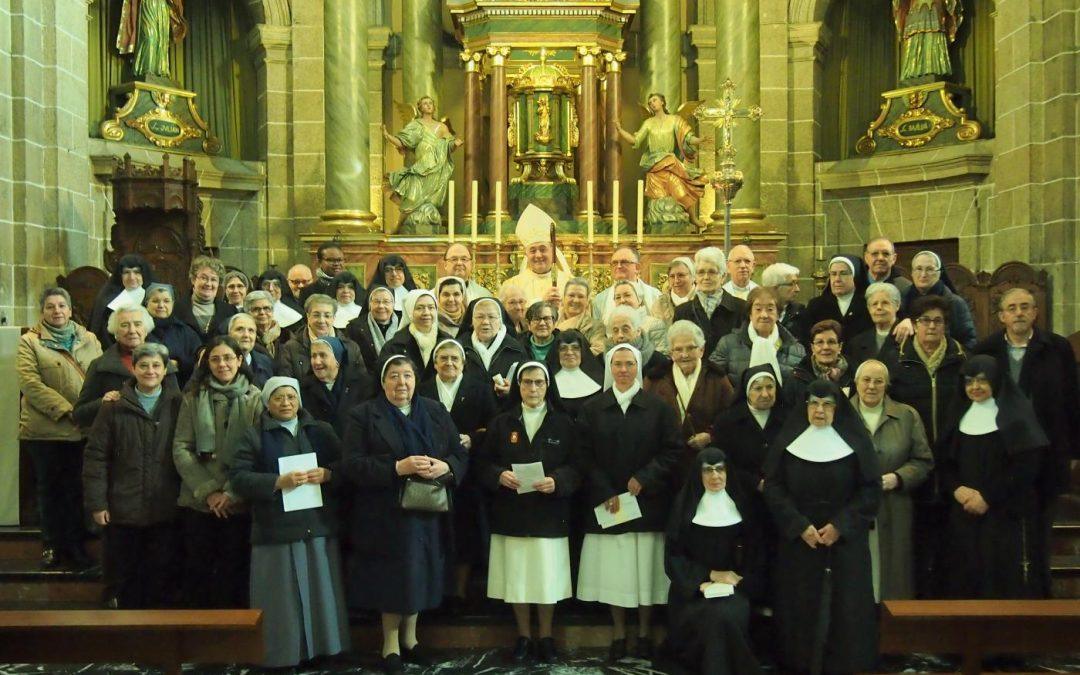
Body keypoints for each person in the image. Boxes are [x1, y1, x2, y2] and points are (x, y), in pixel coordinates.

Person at [340, 355, 468, 674]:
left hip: (428, 508)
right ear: (383, 382)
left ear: (416, 380)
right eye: (394, 376)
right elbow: (352, 465)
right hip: (386, 512)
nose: (401, 383)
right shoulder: (364, 415)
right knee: (394, 577)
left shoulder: (436, 412)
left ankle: (411, 640)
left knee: (420, 574)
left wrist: (447, 466)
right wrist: (398, 467)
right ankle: (390, 645)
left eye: (407, 376)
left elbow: (459, 453)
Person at [229, 376, 351, 668]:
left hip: (317, 524)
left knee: (321, 593)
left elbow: (345, 466)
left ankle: (325, 651)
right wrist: (277, 482)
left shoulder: (320, 430)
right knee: (281, 600)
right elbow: (239, 478)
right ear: (267, 402)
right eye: (278, 398)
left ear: (299, 400)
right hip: (276, 529)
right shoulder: (253, 435)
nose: (285, 403)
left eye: (291, 397)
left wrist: (328, 474)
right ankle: (284, 656)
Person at [763, 379, 881, 675]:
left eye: (827, 404)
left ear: (837, 408)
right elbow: (774, 488)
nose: (819, 410)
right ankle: (798, 663)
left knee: (847, 605)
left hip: (844, 541)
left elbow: (869, 490)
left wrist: (840, 526)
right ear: (805, 407)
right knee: (799, 604)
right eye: (814, 404)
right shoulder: (789, 442)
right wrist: (799, 526)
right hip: (799, 541)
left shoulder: (855, 442)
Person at [577, 344, 682, 662]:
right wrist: (605, 490)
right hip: (608, 505)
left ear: (638, 367)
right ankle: (620, 633)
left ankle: (645, 633)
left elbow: (673, 449)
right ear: (610, 368)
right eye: (617, 364)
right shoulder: (592, 408)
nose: (623, 370)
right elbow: (583, 455)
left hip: (647, 505)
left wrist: (645, 478)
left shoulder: (659, 407)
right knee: (615, 576)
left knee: (645, 576)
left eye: (629, 364)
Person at [973, 287, 1080, 596]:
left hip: (1047, 456)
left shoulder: (1056, 348)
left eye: (1025, 307)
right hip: (1001, 458)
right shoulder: (986, 350)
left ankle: (1039, 601)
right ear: (1002, 316)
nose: (1019, 313)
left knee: (1039, 538)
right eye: (1012, 308)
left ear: (1035, 312)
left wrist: (1073, 452)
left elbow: (1071, 402)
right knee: (1001, 539)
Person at [476, 362, 580, 663]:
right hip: (512, 514)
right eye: (526, 383)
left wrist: (558, 481)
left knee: (546, 581)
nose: (533, 389)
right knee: (518, 581)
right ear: (518, 385)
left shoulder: (564, 423)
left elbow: (578, 466)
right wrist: (498, 475)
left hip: (550, 514)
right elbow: (482, 464)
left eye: (539, 383)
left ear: (548, 386)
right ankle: (523, 636)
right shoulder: (502, 422)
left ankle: (546, 637)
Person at [82, 342, 182, 608]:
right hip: (122, 508)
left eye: (156, 365)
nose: (150, 371)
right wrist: (97, 502)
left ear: (165, 371)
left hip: (165, 508)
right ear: (134, 369)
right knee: (126, 580)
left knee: (161, 580)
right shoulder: (113, 406)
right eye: (144, 365)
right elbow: (96, 456)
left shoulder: (178, 405)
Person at [940, 355, 1047, 599]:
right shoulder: (957, 415)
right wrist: (956, 489)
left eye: (981, 381)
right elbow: (944, 462)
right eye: (969, 382)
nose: (974, 387)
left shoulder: (1016, 416)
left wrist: (988, 497)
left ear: (996, 381)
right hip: (964, 513)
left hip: (1004, 514)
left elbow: (1026, 467)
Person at [172, 335, 264, 608]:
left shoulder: (256, 398)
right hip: (199, 502)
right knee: (199, 572)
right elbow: (181, 447)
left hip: (239, 501)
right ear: (206, 363)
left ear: (239, 360)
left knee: (235, 574)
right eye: (215, 359)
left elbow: (261, 451)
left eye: (227, 358)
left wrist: (231, 492)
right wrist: (210, 491)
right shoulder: (193, 397)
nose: (222, 364)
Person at [885, 294, 966, 598]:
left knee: (951, 550)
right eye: (925, 320)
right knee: (912, 550)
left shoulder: (961, 360)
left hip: (952, 467)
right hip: (910, 467)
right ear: (914, 325)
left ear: (946, 325)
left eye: (938, 321)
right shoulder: (897, 361)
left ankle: (948, 619)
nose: (931, 326)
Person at [18, 287, 103, 570]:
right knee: (50, 491)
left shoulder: (89, 339)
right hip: (48, 430)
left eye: (61, 306)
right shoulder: (30, 342)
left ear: (70, 309)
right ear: (42, 311)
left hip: (83, 430)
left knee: (76, 490)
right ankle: (51, 545)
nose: (56, 311)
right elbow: (30, 384)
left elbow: (99, 377)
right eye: (50, 306)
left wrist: (87, 412)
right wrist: (69, 410)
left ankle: (76, 547)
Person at [661, 447, 765, 675]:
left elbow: (756, 556)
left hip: (735, 589)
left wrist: (739, 581)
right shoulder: (684, 508)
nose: (715, 476)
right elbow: (673, 558)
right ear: (698, 475)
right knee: (712, 617)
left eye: (720, 469)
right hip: (693, 591)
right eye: (708, 470)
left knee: (724, 616)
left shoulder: (744, 509)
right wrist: (708, 576)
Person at [417, 339, 498, 608]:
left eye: (454, 358)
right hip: (431, 470)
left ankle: (461, 593)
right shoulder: (424, 389)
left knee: (465, 531)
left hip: (468, 472)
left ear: (463, 362)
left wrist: (473, 439)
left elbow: (493, 425)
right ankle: (437, 592)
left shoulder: (479, 389)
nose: (449, 363)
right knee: (437, 533)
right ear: (435, 362)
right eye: (443, 358)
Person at [851, 359, 933, 600]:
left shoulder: (906, 415)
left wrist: (898, 478)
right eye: (866, 380)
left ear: (887, 385)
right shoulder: (840, 416)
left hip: (894, 506)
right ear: (856, 383)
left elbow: (923, 460)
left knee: (893, 576)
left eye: (878, 381)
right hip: (852, 507)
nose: (872, 386)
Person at [645, 321, 735, 469]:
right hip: (666, 464)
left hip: (706, 462)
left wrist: (710, 436)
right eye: (678, 349)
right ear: (670, 353)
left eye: (690, 348)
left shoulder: (717, 378)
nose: (684, 354)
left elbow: (731, 417)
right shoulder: (655, 379)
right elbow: (647, 420)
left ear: (702, 349)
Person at [73, 304, 177, 429]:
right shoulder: (100, 366)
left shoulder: (163, 362)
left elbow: (177, 407)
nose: (132, 330)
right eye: (124, 325)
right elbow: (79, 414)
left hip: (159, 440)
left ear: (146, 329)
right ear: (115, 332)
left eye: (137, 324)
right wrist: (103, 402)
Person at [615, 93, 705, 229]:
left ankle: (693, 218)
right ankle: (655, 225)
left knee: (681, 193)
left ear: (662, 102)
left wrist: (699, 140)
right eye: (650, 102)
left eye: (654, 100)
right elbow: (636, 140)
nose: (652, 103)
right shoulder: (648, 123)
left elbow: (687, 137)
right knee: (657, 203)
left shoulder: (675, 120)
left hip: (670, 164)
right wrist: (620, 130)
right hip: (654, 166)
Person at [384, 96, 463, 234]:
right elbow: (403, 141)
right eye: (425, 104)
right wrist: (388, 136)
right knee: (411, 197)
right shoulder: (416, 125)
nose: (428, 105)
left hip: (435, 168)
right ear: (420, 108)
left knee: (428, 202)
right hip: (420, 167)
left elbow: (449, 145)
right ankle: (399, 226)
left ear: (434, 107)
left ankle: (407, 224)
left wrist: (455, 143)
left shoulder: (442, 127)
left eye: (430, 103)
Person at [709, 287, 805, 387]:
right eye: (758, 309)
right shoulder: (728, 343)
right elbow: (712, 380)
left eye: (770, 309)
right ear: (750, 314)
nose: (764, 315)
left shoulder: (796, 349)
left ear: (778, 314)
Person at [674, 247, 746, 356]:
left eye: (712, 272)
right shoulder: (682, 312)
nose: (706, 277)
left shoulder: (741, 308)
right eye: (701, 272)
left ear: (723, 276)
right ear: (695, 277)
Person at [275, 294, 365, 380]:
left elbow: (360, 381)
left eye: (327, 315)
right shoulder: (290, 348)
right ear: (308, 316)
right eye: (316, 315)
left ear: (334, 318)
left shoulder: (350, 347)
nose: (322, 321)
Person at [899, 250, 977, 349]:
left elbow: (969, 341)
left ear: (939, 273)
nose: (923, 274)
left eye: (930, 269)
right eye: (918, 269)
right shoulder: (902, 299)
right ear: (912, 273)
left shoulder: (955, 302)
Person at [300, 336, 374, 437]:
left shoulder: (362, 384)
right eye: (313, 356)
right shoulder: (303, 388)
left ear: (337, 360)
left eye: (322, 355)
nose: (317, 361)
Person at [499, 204, 572, 304]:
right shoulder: (513, 285)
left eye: (543, 249)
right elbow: (510, 315)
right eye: (533, 251)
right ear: (526, 254)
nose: (538, 255)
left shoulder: (569, 283)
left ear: (552, 251)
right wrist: (542, 301)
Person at [460, 297, 528, 400]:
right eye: (479, 317)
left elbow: (526, 385)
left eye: (491, 317)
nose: (485, 322)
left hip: (504, 411)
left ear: (500, 321)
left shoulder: (516, 349)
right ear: (472, 321)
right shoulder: (460, 348)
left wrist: (512, 391)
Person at [801, 256, 872, 350]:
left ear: (854, 276)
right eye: (833, 274)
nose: (837, 279)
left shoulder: (868, 304)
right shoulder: (816, 305)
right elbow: (807, 338)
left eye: (843, 273)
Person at [383, 289, 449, 383]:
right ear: (410, 311)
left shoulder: (446, 340)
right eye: (420, 308)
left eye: (431, 307)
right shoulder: (395, 345)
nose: (426, 312)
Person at [144, 283, 202, 387]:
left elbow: (199, 360)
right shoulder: (138, 330)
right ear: (146, 303)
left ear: (173, 304)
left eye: (166, 301)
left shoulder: (185, 332)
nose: (161, 305)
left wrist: (179, 364)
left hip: (181, 388)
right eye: (155, 301)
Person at [89, 253, 154, 347]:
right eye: (126, 272)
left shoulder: (155, 296)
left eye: (136, 272)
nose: (132, 277)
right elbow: (101, 332)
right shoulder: (107, 299)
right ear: (120, 275)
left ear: (144, 274)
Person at [172, 256, 237, 340]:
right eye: (204, 278)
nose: (208, 284)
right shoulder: (175, 309)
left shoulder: (230, 311)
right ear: (193, 280)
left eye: (213, 279)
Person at [544, 329, 603, 420]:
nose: (569, 352)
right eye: (563, 348)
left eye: (575, 348)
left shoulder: (599, 379)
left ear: (583, 351)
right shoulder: (546, 382)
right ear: (557, 352)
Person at [592, 246, 662, 323]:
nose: (618, 266)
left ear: (637, 267)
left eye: (624, 262)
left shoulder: (655, 296)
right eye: (615, 263)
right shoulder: (600, 300)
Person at [846, 282, 903, 374]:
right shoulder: (856, 343)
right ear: (869, 308)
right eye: (874, 304)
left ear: (897, 305)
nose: (879, 307)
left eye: (885, 303)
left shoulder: (908, 337)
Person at [790, 320, 851, 404]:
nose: (825, 347)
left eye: (831, 342)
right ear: (812, 348)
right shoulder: (797, 378)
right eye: (820, 342)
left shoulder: (854, 376)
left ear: (840, 346)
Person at [604, 305, 668, 379]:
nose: (620, 335)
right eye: (615, 331)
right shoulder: (602, 361)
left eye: (625, 330)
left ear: (638, 331)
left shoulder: (657, 361)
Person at [345, 285, 400, 370]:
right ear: (369, 304)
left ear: (393, 304)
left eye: (386, 302)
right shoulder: (354, 328)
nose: (381, 306)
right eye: (376, 301)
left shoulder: (403, 326)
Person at [611, 280, 669, 353]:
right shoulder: (612, 325)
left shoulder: (654, 324)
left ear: (639, 299)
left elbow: (662, 357)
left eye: (627, 295)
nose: (622, 300)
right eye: (618, 297)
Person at [556, 277, 605, 355]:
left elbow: (598, 350)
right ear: (563, 298)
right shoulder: (551, 321)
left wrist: (569, 356)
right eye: (571, 295)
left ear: (587, 301)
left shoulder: (596, 327)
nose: (576, 300)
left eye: (581, 296)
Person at [761, 262, 806, 344]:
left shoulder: (800, 313)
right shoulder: (755, 313)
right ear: (774, 287)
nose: (797, 289)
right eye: (791, 284)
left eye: (797, 284)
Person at [243, 290, 293, 360]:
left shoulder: (287, 336)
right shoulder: (244, 338)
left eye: (266, 308)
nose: (262, 312)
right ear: (247, 313)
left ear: (272, 311)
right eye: (256, 309)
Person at [227, 312, 274, 388]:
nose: (246, 335)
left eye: (251, 330)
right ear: (229, 334)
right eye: (240, 329)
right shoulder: (220, 362)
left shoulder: (265, 361)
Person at [650, 256, 696, 326]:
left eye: (681, 275)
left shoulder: (702, 300)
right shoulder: (659, 304)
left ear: (693, 277)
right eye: (672, 276)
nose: (676, 280)